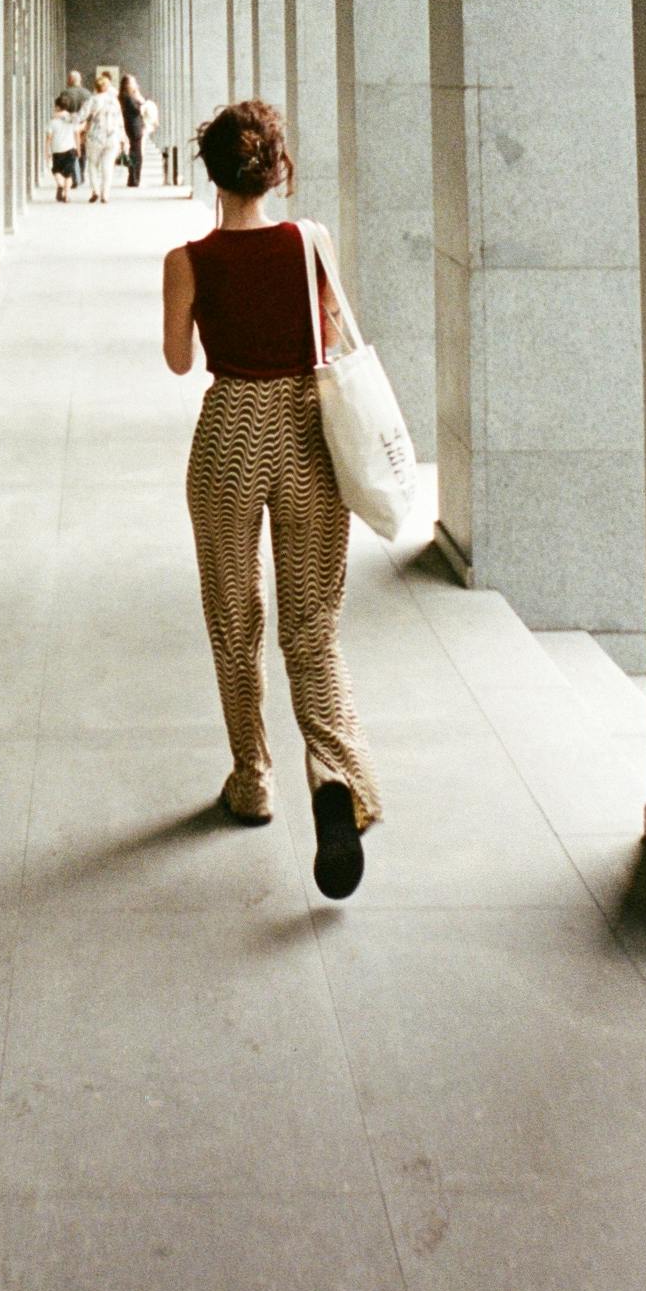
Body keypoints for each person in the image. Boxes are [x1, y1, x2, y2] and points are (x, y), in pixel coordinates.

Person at [160, 98, 380, 899]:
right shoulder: (308, 244)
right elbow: (326, 339)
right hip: (306, 436)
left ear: (211, 172)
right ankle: (333, 784)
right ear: (275, 169)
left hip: (227, 438)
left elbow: (180, 362)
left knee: (233, 617)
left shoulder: (187, 259)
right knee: (312, 627)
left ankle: (251, 779)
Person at [81, 72, 125, 204]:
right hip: (112, 136)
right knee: (108, 166)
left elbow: (81, 116)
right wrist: (123, 137)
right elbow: (120, 120)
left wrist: (68, 119)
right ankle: (105, 194)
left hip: (95, 136)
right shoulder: (115, 102)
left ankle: (95, 190)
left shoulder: (93, 100)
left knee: (93, 164)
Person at [47, 95, 83, 201]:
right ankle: (66, 194)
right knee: (69, 175)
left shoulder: (52, 121)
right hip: (70, 149)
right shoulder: (72, 120)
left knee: (56, 170)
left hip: (57, 150)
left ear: (57, 107)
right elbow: (77, 135)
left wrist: (47, 151)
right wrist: (79, 149)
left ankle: (60, 183)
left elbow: (48, 138)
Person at [118, 70, 146, 187]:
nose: (136, 85)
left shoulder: (125, 96)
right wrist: (138, 95)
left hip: (133, 126)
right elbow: (140, 108)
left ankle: (133, 178)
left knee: (135, 153)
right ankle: (134, 179)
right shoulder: (128, 97)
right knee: (136, 154)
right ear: (128, 85)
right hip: (134, 127)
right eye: (133, 83)